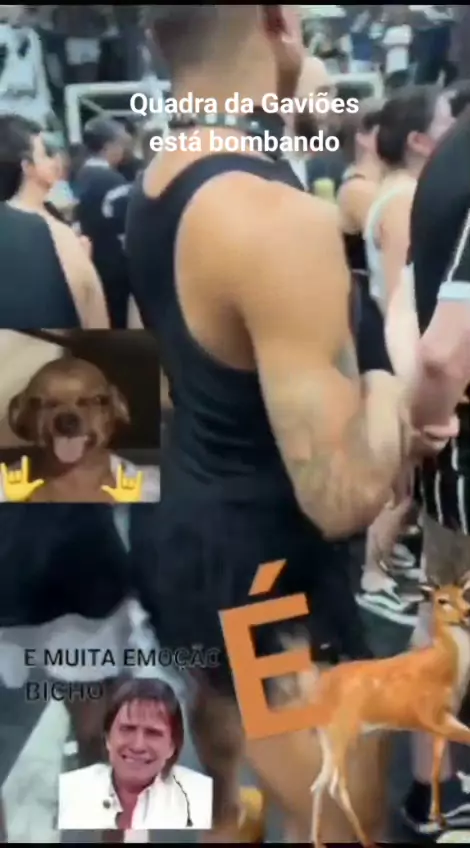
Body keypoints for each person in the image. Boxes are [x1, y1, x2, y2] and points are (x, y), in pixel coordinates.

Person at [126, 6, 455, 843]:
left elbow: (154, 377)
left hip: (185, 539)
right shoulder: (274, 217)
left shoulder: (156, 180)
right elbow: (341, 498)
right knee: (339, 821)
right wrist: (387, 390)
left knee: (241, 781)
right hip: (265, 588)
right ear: (276, 19)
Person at [397, 105, 470, 836]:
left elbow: (405, 304)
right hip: (460, 460)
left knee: (444, 631)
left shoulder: (449, 153)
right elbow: (444, 351)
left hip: (451, 477)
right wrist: (427, 420)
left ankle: (432, 797)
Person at [356, 85, 455, 624]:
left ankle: (383, 561)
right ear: (417, 139)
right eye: (443, 120)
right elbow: (403, 294)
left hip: (403, 346)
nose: (452, 127)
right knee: (403, 482)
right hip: (401, 351)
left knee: (410, 483)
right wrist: (416, 383)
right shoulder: (403, 201)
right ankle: (371, 575)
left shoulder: (406, 191)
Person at [58, 678, 213, 831]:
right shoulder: (67, 792)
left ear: (172, 746)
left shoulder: (202, 798)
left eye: (153, 733)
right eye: (127, 729)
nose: (138, 746)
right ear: (107, 738)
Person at [0, 115, 109, 329]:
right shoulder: (50, 231)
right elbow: (95, 316)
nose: (55, 161)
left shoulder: (54, 216)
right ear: (27, 166)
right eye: (46, 154)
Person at [74, 117, 132, 328]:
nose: (123, 150)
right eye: (121, 144)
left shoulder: (80, 175)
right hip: (114, 267)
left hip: (88, 261)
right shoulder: (113, 181)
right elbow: (127, 226)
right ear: (108, 146)